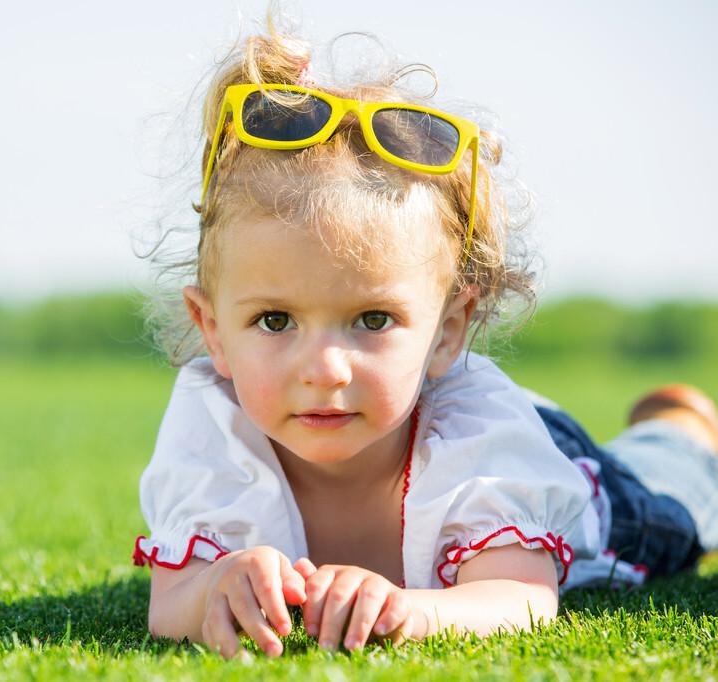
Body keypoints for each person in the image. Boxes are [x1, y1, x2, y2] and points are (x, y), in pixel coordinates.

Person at [130, 19, 718, 659]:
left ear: (449, 332)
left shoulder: (481, 441)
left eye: (372, 320)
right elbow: (171, 601)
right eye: (274, 321)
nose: (325, 369)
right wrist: (215, 583)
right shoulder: (214, 423)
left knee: (672, 511)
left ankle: (679, 429)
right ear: (212, 330)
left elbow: (520, 597)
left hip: (547, 459)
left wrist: (413, 610)